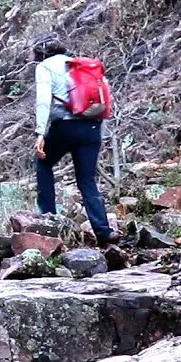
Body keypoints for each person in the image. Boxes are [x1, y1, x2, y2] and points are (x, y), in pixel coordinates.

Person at [32, 40, 117, 246]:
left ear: (39, 54)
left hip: (65, 128)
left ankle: (49, 222)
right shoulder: (82, 65)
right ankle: (104, 232)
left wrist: (40, 132)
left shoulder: (44, 67)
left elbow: (43, 100)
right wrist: (99, 134)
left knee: (43, 162)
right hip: (92, 128)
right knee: (87, 181)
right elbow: (103, 99)